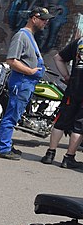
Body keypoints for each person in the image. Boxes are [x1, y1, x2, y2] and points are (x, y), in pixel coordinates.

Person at [0, 7, 51, 161]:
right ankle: (3, 148)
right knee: (12, 116)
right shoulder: (21, 36)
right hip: (22, 82)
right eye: (43, 19)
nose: (46, 22)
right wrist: (30, 71)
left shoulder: (29, 36)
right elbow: (11, 60)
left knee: (15, 114)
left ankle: (7, 144)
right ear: (34, 18)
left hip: (27, 83)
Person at [39, 37, 83, 169]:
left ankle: (50, 154)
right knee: (79, 125)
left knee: (61, 121)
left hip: (73, 87)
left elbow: (58, 58)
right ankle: (68, 158)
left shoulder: (80, 41)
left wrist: (67, 77)